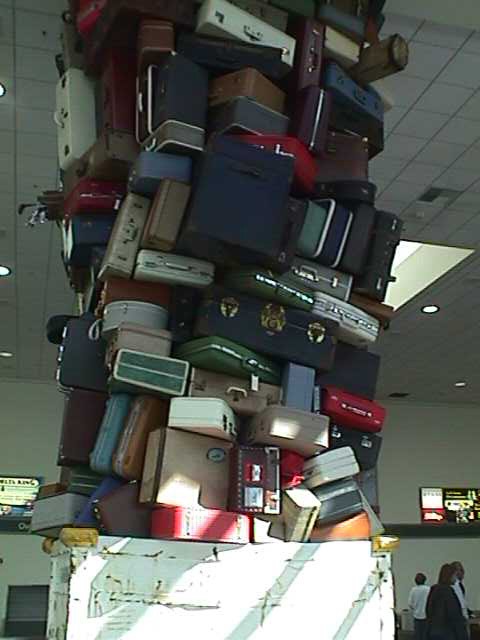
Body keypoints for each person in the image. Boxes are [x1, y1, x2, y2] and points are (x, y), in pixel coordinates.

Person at [426, 563, 469, 640]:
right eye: (454, 575)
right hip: (448, 632)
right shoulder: (449, 591)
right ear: (450, 576)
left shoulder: (434, 589)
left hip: (434, 631)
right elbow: (454, 614)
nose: (455, 578)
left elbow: (428, 609)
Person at [408, 573, 430, 640]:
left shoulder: (413, 590)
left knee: (418, 636)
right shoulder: (428, 589)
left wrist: (415, 608)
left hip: (417, 616)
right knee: (426, 635)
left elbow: (410, 604)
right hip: (427, 616)